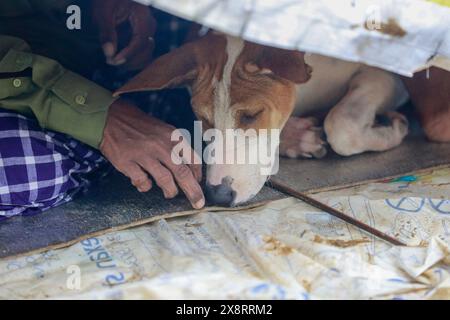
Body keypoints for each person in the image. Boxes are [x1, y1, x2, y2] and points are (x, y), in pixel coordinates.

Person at [0, 0, 205, 218]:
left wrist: (100, 6)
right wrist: (101, 119)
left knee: (190, 28)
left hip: (73, 50)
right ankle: (104, 154)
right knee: (20, 171)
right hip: (17, 89)